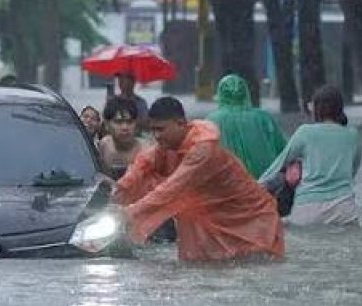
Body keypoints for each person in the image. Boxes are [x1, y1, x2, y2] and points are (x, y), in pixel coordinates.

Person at [113, 96, 285, 261]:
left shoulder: (203, 149)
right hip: (212, 219)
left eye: (161, 129)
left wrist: (129, 212)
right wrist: (121, 187)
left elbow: (172, 188)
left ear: (181, 124)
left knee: (252, 267)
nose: (156, 136)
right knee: (204, 270)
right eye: (153, 130)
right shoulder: (166, 146)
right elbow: (143, 162)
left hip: (249, 219)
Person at [260, 86, 361, 227]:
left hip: (308, 210)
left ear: (316, 108)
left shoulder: (305, 133)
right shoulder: (352, 135)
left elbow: (279, 165)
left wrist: (254, 186)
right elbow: (352, 172)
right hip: (344, 209)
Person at [205, 74, 287, 178]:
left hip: (226, 184)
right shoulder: (263, 118)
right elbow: (283, 150)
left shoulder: (211, 121)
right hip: (264, 183)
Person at [98, 98, 144, 180]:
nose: (125, 127)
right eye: (118, 122)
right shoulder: (103, 146)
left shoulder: (146, 150)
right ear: (107, 125)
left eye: (130, 122)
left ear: (136, 124)